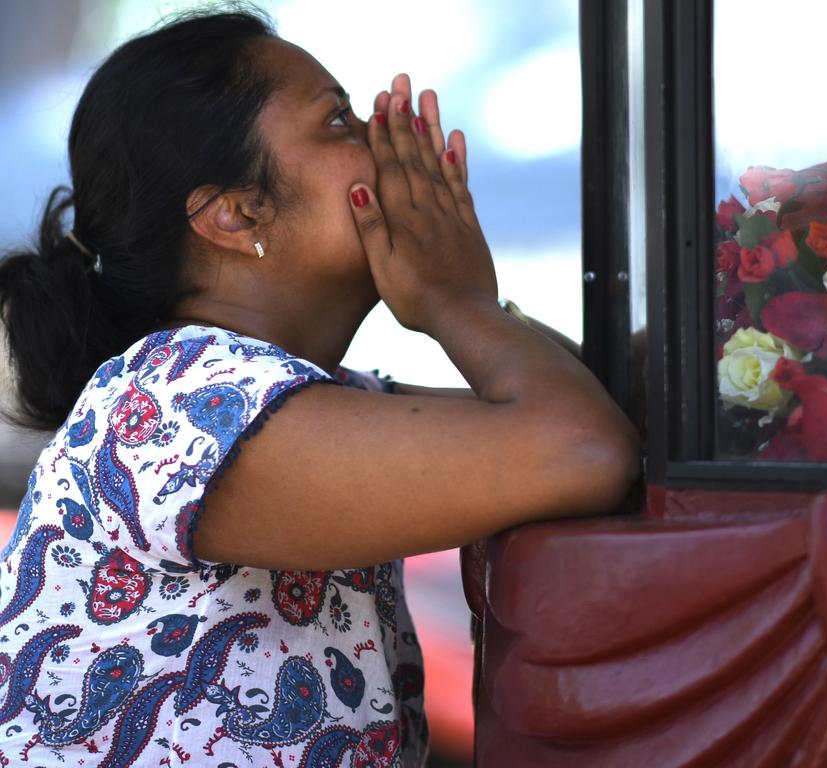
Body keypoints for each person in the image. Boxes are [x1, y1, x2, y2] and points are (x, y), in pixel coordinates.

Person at [0, 9, 638, 767]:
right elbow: (583, 449)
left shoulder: (299, 397)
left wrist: (468, 299)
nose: (382, 136)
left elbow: (592, 407)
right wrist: (452, 301)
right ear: (235, 215)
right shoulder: (177, 404)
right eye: (339, 119)